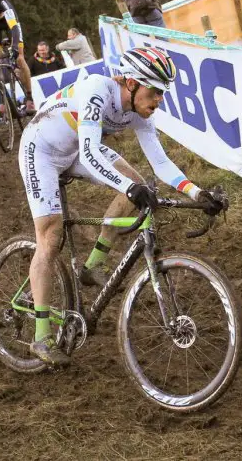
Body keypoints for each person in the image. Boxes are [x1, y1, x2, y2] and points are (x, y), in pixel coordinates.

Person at [18, 47, 223, 366]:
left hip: (73, 149)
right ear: (131, 83)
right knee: (51, 237)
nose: (158, 101)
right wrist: (130, 188)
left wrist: (197, 193)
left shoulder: (138, 111)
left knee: (138, 181)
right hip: (41, 151)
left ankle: (92, 265)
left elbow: (160, 162)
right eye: (155, 91)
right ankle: (41, 336)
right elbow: (90, 154)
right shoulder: (98, 90)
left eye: (162, 93)